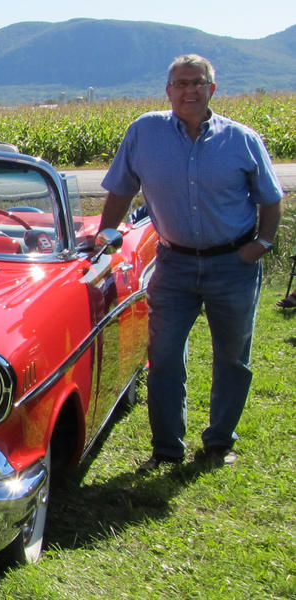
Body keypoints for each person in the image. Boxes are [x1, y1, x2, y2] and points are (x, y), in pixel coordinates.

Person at [99, 54, 284, 472]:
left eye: (198, 83)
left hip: (233, 265)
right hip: (174, 264)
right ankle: (167, 447)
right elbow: (120, 190)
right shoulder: (144, 132)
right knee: (163, 356)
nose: (189, 91)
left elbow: (271, 199)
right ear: (168, 91)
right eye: (181, 83)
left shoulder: (242, 140)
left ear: (212, 89)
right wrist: (106, 233)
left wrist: (264, 242)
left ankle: (219, 441)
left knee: (233, 357)